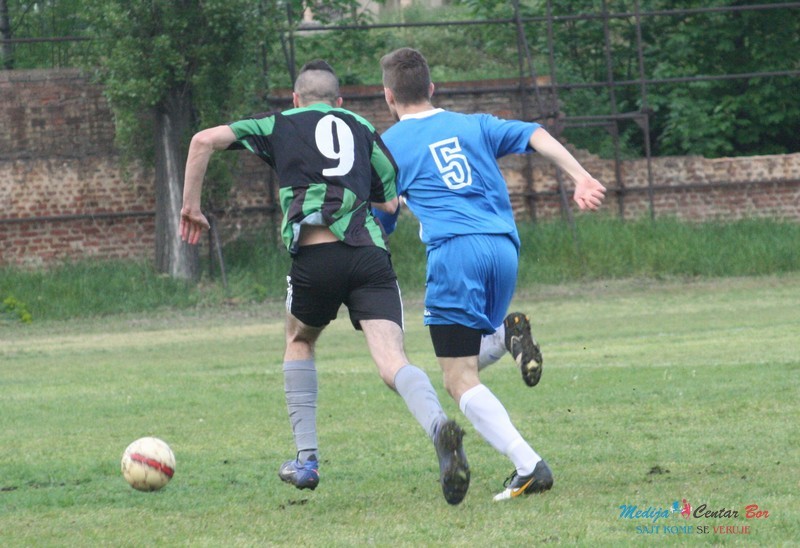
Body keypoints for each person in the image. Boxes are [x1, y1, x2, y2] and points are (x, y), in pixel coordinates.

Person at [179, 59, 470, 505]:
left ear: (296, 99)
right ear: (340, 101)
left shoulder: (278, 123)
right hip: (369, 256)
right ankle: (438, 426)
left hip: (315, 258)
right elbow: (389, 201)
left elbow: (203, 140)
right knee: (392, 361)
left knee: (299, 339)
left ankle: (307, 460)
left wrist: (191, 207)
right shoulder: (361, 127)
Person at [378, 47, 607, 501]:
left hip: (456, 252)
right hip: (504, 247)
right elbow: (536, 133)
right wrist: (580, 176)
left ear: (388, 96)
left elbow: (384, 209)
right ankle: (507, 336)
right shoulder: (474, 124)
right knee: (461, 359)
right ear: (431, 88)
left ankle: (529, 466)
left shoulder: (387, 147)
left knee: (457, 378)